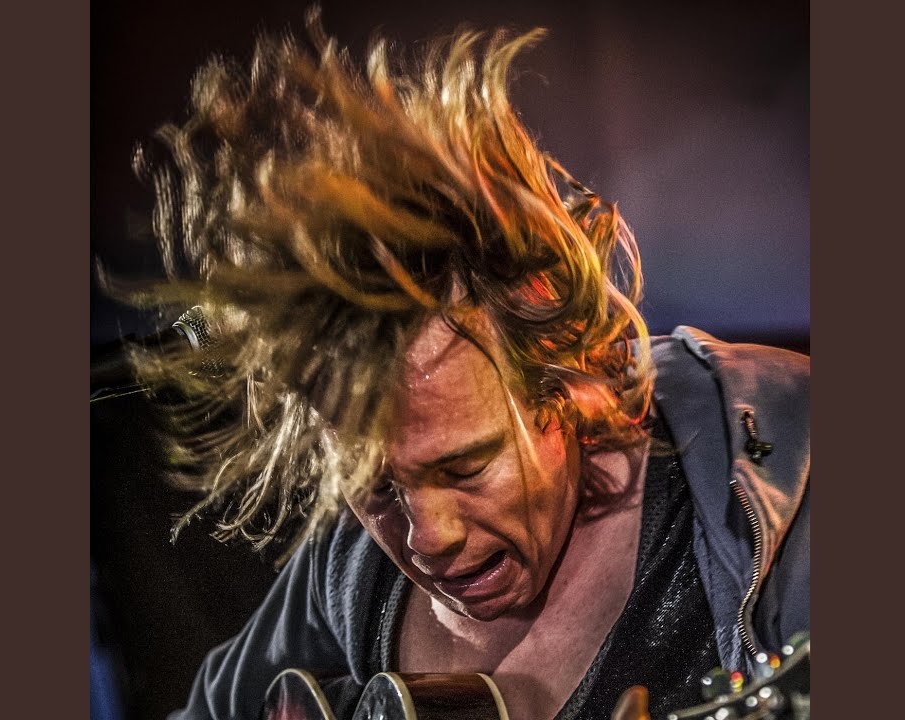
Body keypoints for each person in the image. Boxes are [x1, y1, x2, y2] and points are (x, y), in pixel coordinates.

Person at [120, 13, 809, 720]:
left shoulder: (779, 461)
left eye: (466, 467)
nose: (429, 538)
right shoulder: (345, 563)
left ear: (567, 376)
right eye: (376, 487)